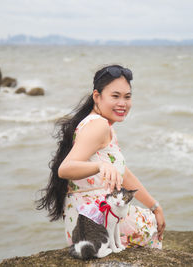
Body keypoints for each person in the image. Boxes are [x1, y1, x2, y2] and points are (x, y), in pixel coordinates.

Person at [37, 64, 165, 248]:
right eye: (115, 96)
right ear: (97, 96)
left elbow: (122, 172)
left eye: (127, 97)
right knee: (151, 226)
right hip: (97, 224)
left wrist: (155, 206)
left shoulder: (98, 124)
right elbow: (65, 169)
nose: (123, 103)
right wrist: (100, 167)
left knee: (149, 217)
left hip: (85, 226)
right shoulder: (99, 125)